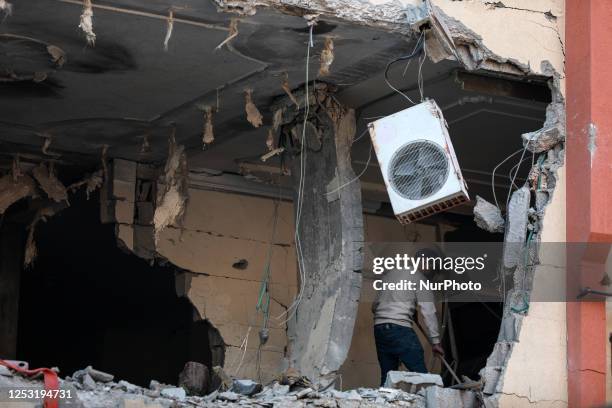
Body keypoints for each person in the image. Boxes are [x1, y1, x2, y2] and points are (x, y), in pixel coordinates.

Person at [371, 247, 444, 386]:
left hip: (379, 328)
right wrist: (436, 342)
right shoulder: (420, 279)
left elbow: (374, 306)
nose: (431, 271)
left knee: (388, 377)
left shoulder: (391, 274)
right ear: (426, 263)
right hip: (400, 328)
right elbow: (429, 312)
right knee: (422, 376)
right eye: (432, 267)